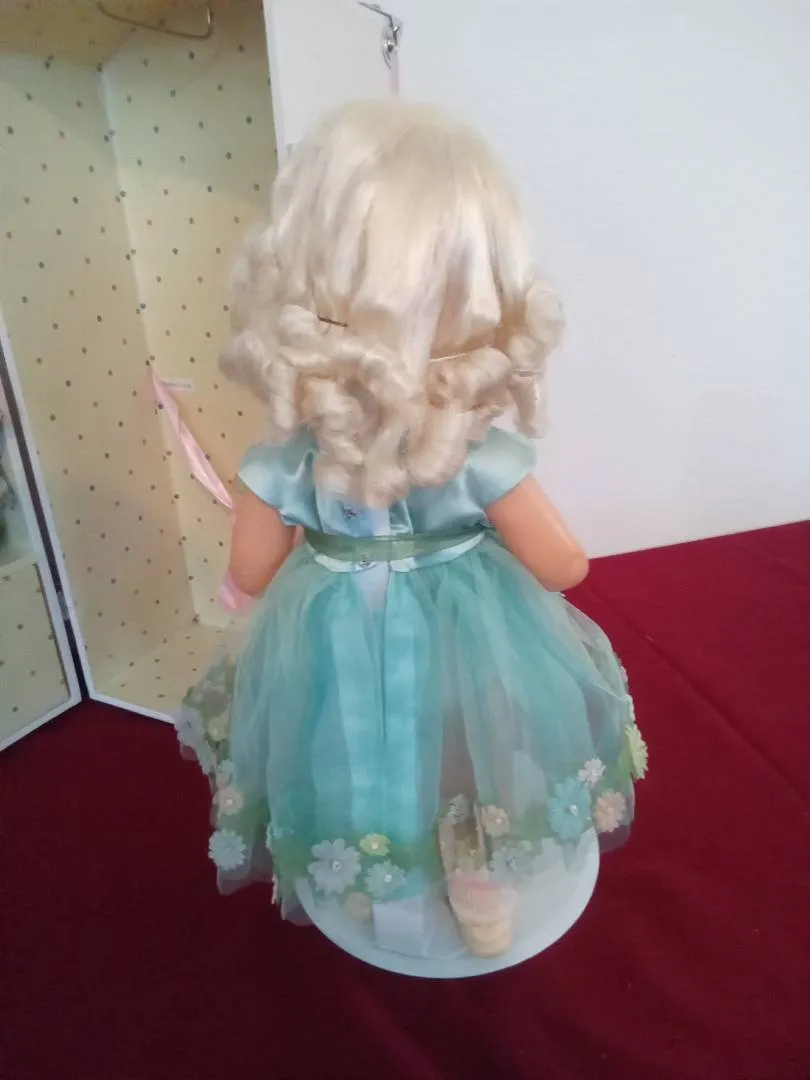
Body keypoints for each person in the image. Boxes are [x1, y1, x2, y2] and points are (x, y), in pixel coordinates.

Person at [176, 99, 648, 974]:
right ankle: (470, 870)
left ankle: (372, 861)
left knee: (349, 736)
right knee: (467, 738)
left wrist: (258, 581)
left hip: (334, 617)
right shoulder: (475, 453)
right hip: (466, 617)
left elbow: (251, 567)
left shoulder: (284, 460)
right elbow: (562, 563)